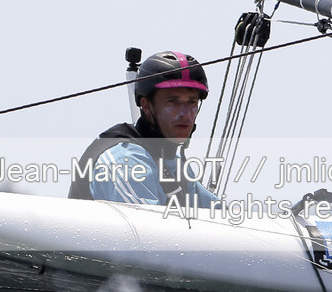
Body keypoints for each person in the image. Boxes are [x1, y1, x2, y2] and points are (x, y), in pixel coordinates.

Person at [70, 50, 220, 208]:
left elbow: (218, 213)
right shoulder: (124, 160)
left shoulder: (173, 162)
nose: (185, 113)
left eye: (192, 102)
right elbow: (149, 229)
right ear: (147, 106)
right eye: (173, 102)